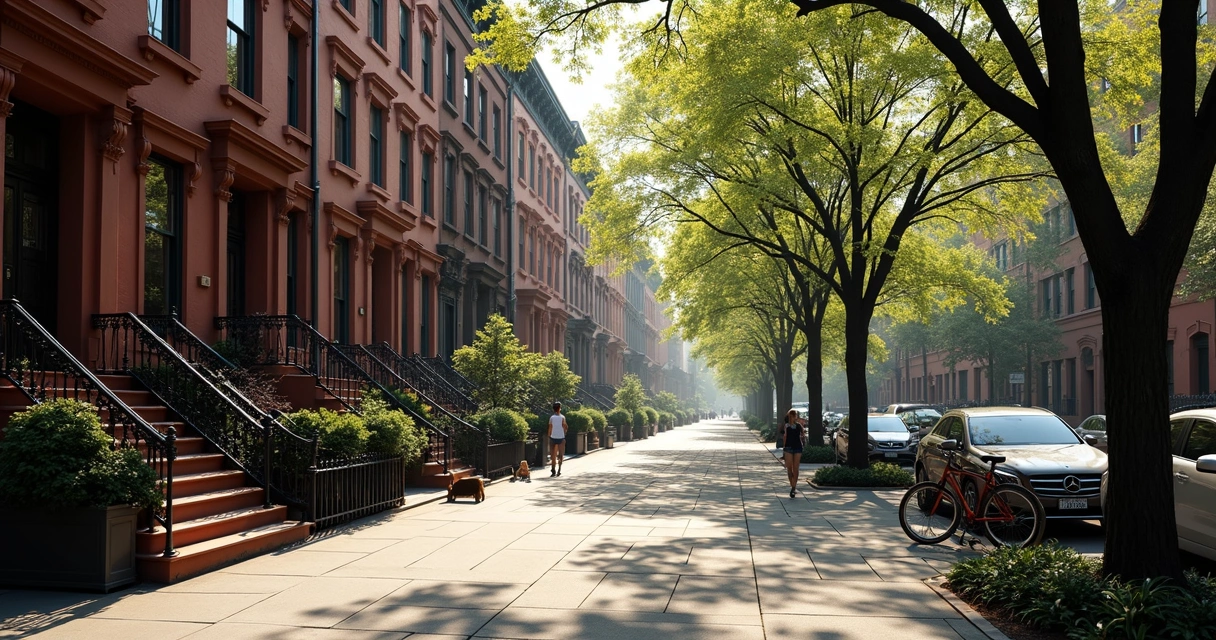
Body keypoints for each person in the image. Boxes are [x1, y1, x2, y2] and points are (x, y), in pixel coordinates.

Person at [782, 409, 806, 498]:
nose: (794, 416)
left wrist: (803, 437)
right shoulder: (786, 426)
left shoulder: (799, 426)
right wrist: (784, 449)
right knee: (789, 468)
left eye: (795, 415)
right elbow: (785, 437)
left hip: (798, 447)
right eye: (792, 415)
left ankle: (793, 487)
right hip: (788, 448)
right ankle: (792, 484)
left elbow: (803, 435)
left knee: (796, 468)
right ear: (789, 416)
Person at [548, 402, 567, 477]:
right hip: (561, 437)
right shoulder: (562, 417)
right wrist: (564, 433)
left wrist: (549, 435)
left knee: (553, 455)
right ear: (560, 408)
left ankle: (553, 470)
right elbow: (565, 427)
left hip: (553, 437)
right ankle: (559, 469)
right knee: (561, 454)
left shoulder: (552, 418)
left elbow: (550, 428)